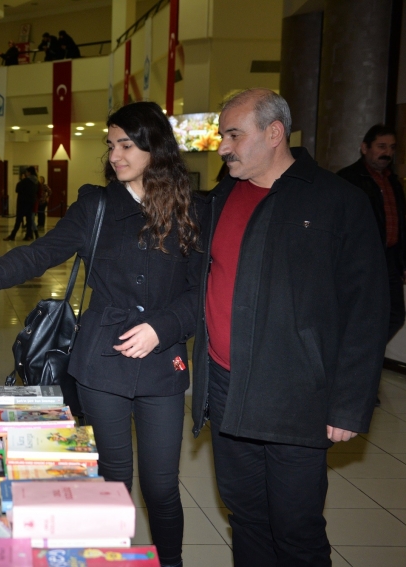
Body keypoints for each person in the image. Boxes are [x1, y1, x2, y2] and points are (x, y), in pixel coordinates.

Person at [0, 102, 205, 567]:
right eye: (111, 145)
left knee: (161, 487)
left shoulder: (193, 210)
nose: (115, 155)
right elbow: (42, 252)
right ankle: (109, 557)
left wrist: (163, 326)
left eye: (127, 145)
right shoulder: (96, 204)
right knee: (113, 478)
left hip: (162, 364)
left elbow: (202, 292)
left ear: (155, 147)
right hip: (101, 361)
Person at [191, 89, 388, 566]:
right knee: (246, 516)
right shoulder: (220, 198)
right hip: (226, 384)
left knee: (296, 527)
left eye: (234, 135)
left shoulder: (337, 202)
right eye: (223, 135)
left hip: (295, 394)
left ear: (274, 133)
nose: (223, 147)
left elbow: (367, 309)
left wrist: (348, 404)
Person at [337, 124, 406, 346]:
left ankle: (365, 353)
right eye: (381, 146)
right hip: (362, 261)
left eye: (392, 147)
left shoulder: (392, 182)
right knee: (359, 314)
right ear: (364, 148)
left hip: (390, 261)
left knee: (395, 314)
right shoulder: (348, 180)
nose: (387, 153)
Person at [4, 167, 38, 241]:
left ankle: (12, 235)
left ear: (29, 172)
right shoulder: (36, 181)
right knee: (29, 220)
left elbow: (17, 189)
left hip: (22, 203)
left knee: (18, 220)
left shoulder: (25, 181)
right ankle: (28, 235)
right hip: (31, 202)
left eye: (27, 172)